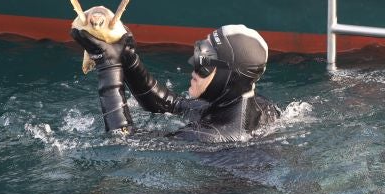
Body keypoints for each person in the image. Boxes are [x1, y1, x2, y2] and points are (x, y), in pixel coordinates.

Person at [71, 24, 280, 142]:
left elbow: (122, 141)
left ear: (229, 76)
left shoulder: (209, 137)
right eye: (199, 53)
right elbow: (172, 104)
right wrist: (129, 59)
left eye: (205, 62)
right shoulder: (260, 106)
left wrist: (108, 67)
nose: (193, 66)